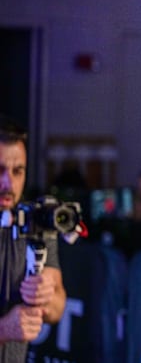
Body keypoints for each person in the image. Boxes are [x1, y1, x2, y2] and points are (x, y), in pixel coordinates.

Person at [0, 116, 66, 362]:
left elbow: (59, 305)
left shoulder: (36, 221)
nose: (8, 183)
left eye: (18, 171)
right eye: (0, 170)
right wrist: (4, 329)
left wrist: (45, 298)